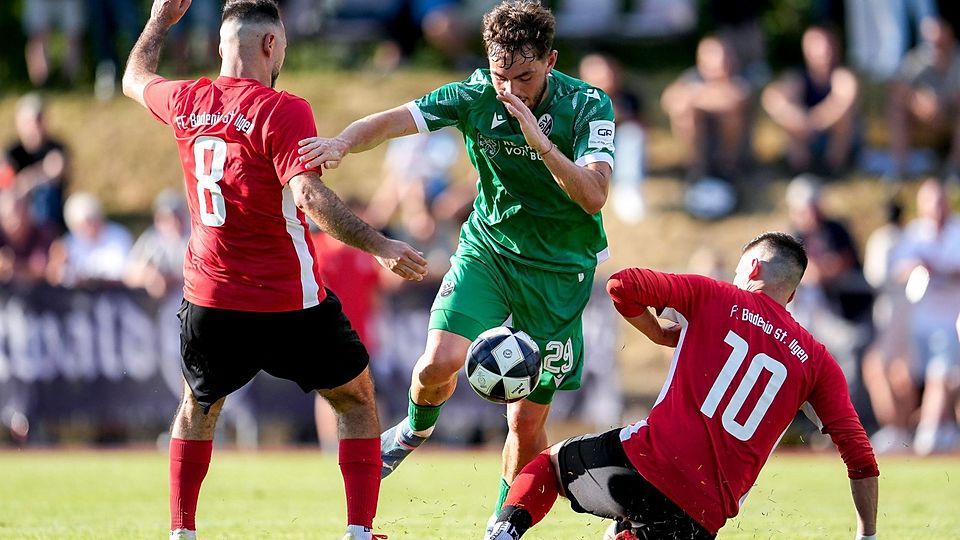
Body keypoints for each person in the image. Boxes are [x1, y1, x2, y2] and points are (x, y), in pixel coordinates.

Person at [298, 0, 615, 529]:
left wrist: (540, 142)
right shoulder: (475, 94)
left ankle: (503, 522)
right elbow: (396, 120)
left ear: (551, 61)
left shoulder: (587, 106)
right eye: (500, 76)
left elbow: (595, 196)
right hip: (488, 250)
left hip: (560, 271)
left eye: (525, 76)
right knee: (436, 363)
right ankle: (412, 431)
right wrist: (342, 142)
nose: (510, 89)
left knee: (526, 417)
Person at [121, 1, 427, 539]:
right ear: (270, 46)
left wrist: (160, 20)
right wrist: (377, 243)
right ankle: (358, 532)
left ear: (221, 46)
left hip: (211, 297)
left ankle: (181, 533)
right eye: (282, 45)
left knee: (197, 406)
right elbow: (307, 195)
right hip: (288, 300)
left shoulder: (188, 100)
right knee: (355, 400)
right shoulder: (283, 109)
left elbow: (133, 77)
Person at [487, 232, 879, 540]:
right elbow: (860, 455)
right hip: (702, 516)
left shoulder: (715, 295)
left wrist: (657, 332)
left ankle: (503, 534)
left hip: (646, 463)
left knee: (549, 464)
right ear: (791, 295)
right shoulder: (817, 360)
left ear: (754, 267)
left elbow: (622, 285)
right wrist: (867, 535)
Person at [892, 178, 960, 454]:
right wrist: (915, 267)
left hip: (950, 320)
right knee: (899, 373)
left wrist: (939, 269)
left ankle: (930, 433)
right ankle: (903, 430)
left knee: (941, 374)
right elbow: (899, 271)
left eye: (940, 201)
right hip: (919, 322)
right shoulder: (915, 234)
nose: (937, 208)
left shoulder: (956, 231)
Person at [762, 26, 860, 176]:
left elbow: (843, 103)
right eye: (816, 46)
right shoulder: (797, 77)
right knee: (790, 119)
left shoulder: (843, 77)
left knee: (843, 120)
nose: (822, 51)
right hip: (806, 137)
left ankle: (833, 171)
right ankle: (800, 171)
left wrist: (815, 121)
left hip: (837, 142)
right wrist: (796, 119)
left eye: (826, 45)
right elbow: (771, 98)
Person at [660, 35, 752, 180]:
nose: (719, 61)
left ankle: (727, 168)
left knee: (730, 115)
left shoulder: (741, 78)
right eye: (711, 55)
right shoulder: (691, 77)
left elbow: (733, 101)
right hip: (701, 144)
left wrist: (695, 97)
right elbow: (669, 100)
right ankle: (697, 169)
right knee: (683, 113)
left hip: (736, 151)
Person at [888, 17, 960, 179]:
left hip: (951, 114)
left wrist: (942, 103)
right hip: (923, 116)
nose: (935, 43)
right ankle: (899, 171)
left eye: (939, 39)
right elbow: (897, 88)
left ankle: (955, 171)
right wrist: (917, 102)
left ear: (948, 34)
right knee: (897, 109)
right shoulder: (918, 58)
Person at [2, 93, 69, 233]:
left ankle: (45, 240)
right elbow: (6, 183)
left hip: (47, 209)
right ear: (19, 123)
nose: (34, 125)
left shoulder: (56, 148)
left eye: (38, 119)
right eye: (29, 121)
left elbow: (57, 172)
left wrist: (25, 181)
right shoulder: (12, 152)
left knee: (45, 193)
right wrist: (41, 172)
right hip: (19, 205)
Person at [45, 192, 133, 287]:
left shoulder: (119, 236)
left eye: (90, 221)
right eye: (80, 226)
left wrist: (92, 281)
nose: (88, 229)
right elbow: (57, 276)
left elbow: (126, 276)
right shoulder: (68, 243)